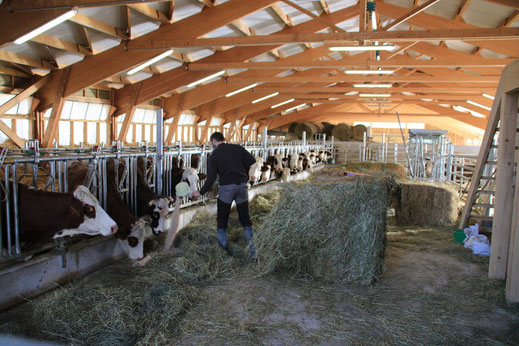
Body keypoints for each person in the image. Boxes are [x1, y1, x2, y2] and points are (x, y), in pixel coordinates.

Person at [192, 132, 256, 258]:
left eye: (211, 143)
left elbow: (211, 178)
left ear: (213, 141)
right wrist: (243, 173)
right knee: (245, 218)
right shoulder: (238, 148)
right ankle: (253, 252)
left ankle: (222, 252)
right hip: (242, 186)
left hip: (227, 188)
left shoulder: (214, 154)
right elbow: (252, 162)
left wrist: (200, 192)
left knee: (222, 219)